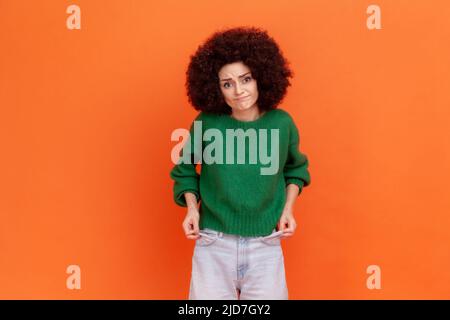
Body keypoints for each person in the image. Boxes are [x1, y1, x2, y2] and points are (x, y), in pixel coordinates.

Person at [169, 26, 311, 300]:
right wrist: (191, 209)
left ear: (260, 78)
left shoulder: (282, 124)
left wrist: (288, 209)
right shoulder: (207, 124)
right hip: (213, 244)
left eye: (246, 79)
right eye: (227, 83)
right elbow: (184, 169)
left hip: (265, 245)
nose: (238, 91)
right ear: (216, 89)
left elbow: (295, 170)